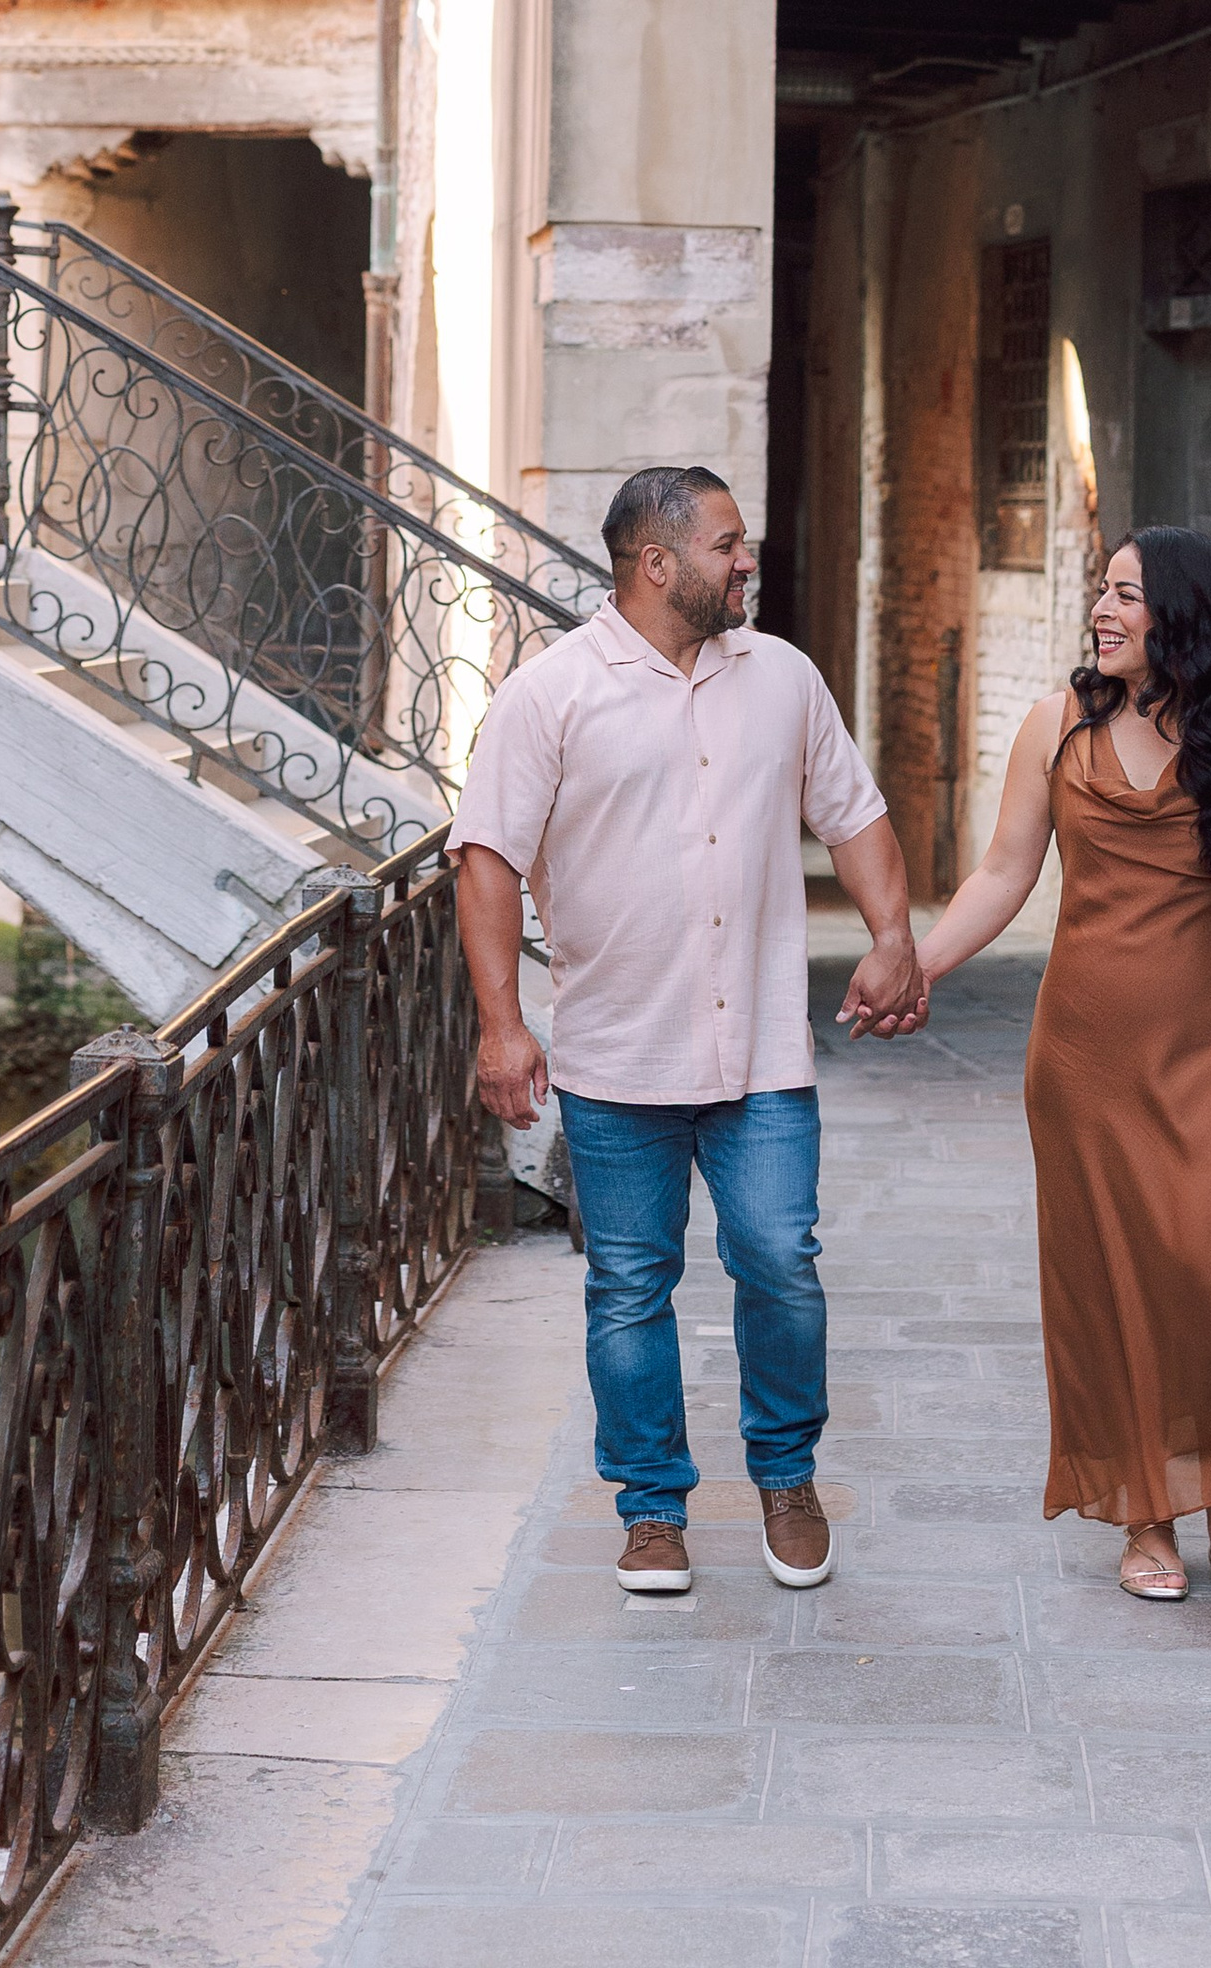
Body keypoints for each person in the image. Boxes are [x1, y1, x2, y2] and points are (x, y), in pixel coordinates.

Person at [451, 465, 925, 1596]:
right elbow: (486, 858)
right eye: (726, 544)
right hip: (618, 1053)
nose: (746, 559)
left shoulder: (784, 678)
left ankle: (785, 1475)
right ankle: (652, 1507)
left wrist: (896, 932)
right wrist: (502, 1026)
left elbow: (852, 813)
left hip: (762, 1049)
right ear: (656, 563)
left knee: (779, 1262)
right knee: (627, 1283)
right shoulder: (550, 693)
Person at [904, 527, 1211, 1601]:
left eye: (1125, 594)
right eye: (1099, 588)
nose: (1100, 608)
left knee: (1210, 1261)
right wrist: (915, 967)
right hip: (1086, 1061)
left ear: (1179, 616)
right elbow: (1003, 871)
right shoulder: (1055, 728)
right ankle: (1145, 1508)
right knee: (1112, 1284)